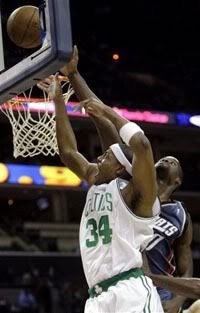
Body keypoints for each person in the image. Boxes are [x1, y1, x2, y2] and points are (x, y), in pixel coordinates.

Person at [59, 46, 193, 312]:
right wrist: (72, 78)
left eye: (108, 155)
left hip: (135, 289)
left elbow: (135, 141)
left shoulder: (149, 201)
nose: (101, 156)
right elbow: (99, 127)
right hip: (101, 293)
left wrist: (178, 300)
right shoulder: (111, 182)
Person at [39, 74, 164, 312]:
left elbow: (142, 144)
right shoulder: (97, 182)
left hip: (130, 293)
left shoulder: (137, 197)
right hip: (97, 297)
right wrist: (59, 99)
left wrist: (107, 110)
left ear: (119, 167)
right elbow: (68, 152)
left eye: (106, 156)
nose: (98, 157)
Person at [145, 156, 193, 312]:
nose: (166, 160)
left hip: (162, 292)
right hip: (130, 284)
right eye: (162, 159)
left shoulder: (180, 214)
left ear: (177, 181)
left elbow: (185, 267)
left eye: (173, 163)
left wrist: (177, 302)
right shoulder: (134, 197)